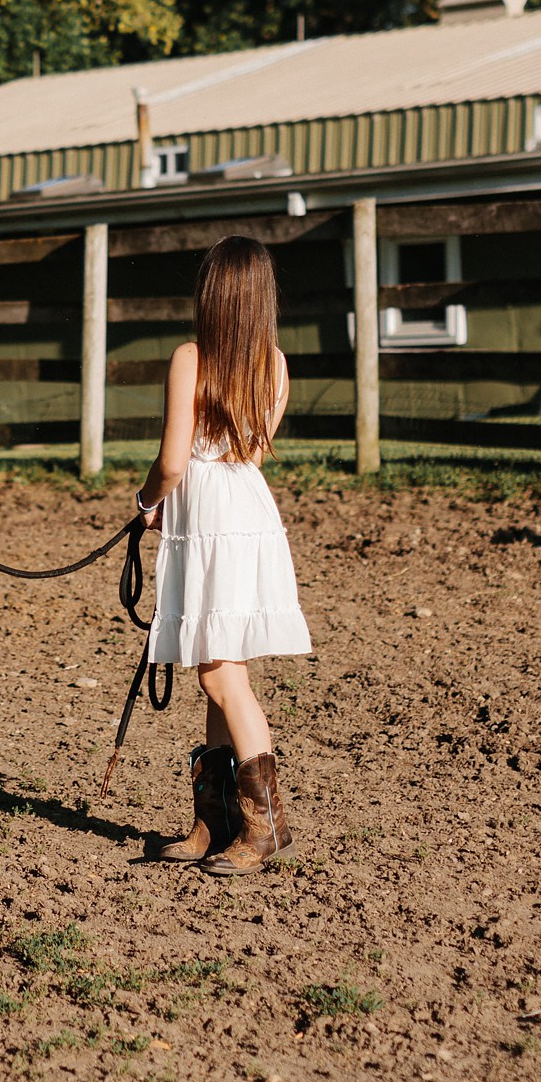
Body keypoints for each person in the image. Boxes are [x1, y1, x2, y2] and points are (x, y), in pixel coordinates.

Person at [134, 236, 309, 875]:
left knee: (217, 675)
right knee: (218, 661)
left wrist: (148, 501)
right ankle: (214, 822)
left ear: (213, 294)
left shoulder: (191, 358)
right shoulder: (276, 365)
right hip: (246, 513)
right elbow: (252, 455)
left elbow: (174, 461)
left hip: (207, 516)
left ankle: (266, 827)